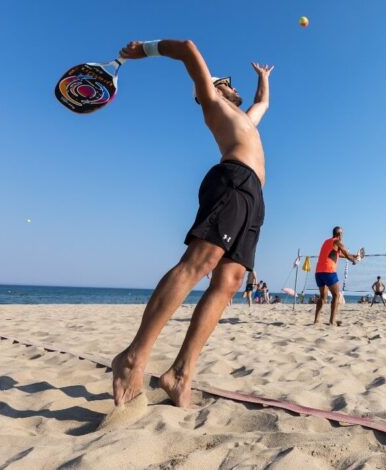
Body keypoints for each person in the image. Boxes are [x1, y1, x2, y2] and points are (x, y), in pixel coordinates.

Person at [110, 39, 274, 408]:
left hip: (254, 196)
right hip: (232, 181)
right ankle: (133, 357)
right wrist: (146, 50)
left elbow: (263, 103)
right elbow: (186, 48)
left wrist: (263, 78)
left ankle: (181, 372)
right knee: (197, 264)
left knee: (229, 282)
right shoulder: (212, 103)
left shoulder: (245, 119)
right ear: (212, 88)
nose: (234, 85)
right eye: (227, 81)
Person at [313, 226, 360, 326]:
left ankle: (316, 320)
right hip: (328, 271)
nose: (343, 236)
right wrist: (353, 260)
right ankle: (331, 321)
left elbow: (339, 254)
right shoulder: (337, 241)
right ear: (339, 234)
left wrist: (354, 256)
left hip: (318, 272)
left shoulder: (327, 242)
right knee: (336, 295)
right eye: (342, 234)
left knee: (322, 297)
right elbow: (346, 253)